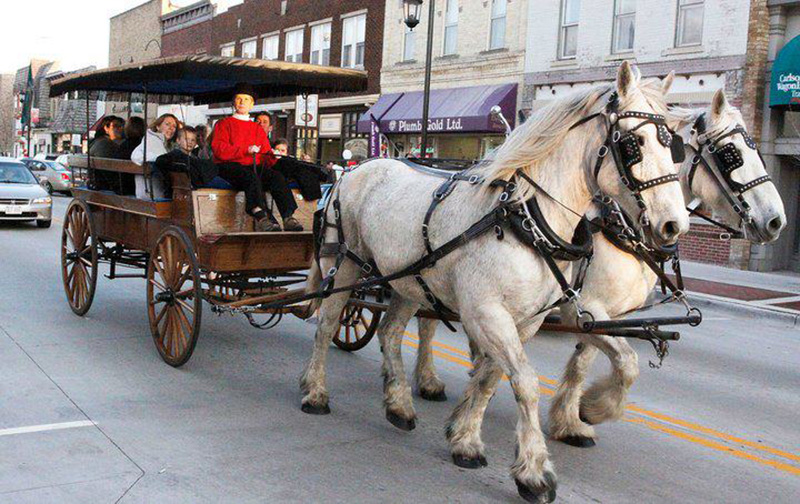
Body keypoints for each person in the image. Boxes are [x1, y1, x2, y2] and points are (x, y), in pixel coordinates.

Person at [212, 83, 302, 232]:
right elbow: (219, 149)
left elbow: (265, 154)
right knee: (251, 177)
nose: (242, 102)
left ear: (252, 104)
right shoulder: (223, 124)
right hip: (229, 166)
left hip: (252, 166)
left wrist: (274, 157)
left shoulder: (257, 129)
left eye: (246, 99)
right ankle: (261, 216)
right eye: (239, 99)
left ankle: (288, 216)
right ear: (234, 102)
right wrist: (245, 150)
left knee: (276, 177)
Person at [131, 113, 179, 198]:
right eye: (167, 124)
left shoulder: (154, 140)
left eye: (174, 126)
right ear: (158, 127)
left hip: (143, 193)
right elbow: (135, 156)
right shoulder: (153, 141)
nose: (171, 128)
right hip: (153, 195)